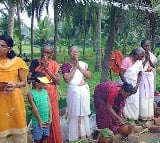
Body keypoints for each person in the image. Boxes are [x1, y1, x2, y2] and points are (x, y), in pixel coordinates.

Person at [29, 44, 62, 143]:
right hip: (37, 92)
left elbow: (58, 81)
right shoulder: (35, 62)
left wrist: (47, 68)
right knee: (40, 114)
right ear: (41, 51)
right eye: (44, 52)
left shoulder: (54, 64)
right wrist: (41, 67)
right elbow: (30, 78)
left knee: (53, 117)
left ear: (52, 54)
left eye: (48, 53)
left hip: (51, 93)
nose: (45, 54)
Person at [0, 35, 28, 142]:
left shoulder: (18, 61)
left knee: (18, 131)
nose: (0, 47)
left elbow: (24, 82)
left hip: (14, 100)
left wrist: (15, 85)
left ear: (9, 48)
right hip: (1, 101)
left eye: (3, 45)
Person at [61, 46, 91, 141]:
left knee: (83, 113)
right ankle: (75, 136)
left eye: (77, 51)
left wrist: (80, 68)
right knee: (75, 114)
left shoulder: (83, 64)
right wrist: (75, 67)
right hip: (74, 93)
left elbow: (89, 76)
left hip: (83, 91)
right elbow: (67, 79)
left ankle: (84, 134)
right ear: (70, 54)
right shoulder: (66, 65)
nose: (75, 53)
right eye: (73, 52)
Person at [119, 47, 145, 123]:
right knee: (125, 101)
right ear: (136, 55)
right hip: (125, 84)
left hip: (134, 84)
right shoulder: (127, 60)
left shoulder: (139, 62)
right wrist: (126, 85)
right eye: (141, 56)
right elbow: (121, 73)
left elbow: (140, 74)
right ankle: (125, 119)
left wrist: (137, 85)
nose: (142, 58)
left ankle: (134, 118)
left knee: (135, 102)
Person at [27, 72, 52, 143]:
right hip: (37, 122)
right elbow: (34, 108)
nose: (45, 84)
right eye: (43, 82)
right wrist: (40, 121)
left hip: (46, 120)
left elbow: (49, 105)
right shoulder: (30, 93)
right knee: (37, 139)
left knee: (45, 137)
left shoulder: (45, 92)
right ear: (36, 83)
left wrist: (50, 118)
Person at [139, 40, 157, 121]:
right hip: (142, 77)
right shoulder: (138, 54)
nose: (146, 47)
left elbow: (153, 66)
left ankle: (149, 115)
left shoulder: (151, 55)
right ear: (141, 46)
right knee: (143, 94)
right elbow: (139, 67)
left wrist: (149, 58)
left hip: (149, 76)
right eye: (145, 46)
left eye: (148, 46)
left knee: (149, 94)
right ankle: (142, 116)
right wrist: (145, 59)